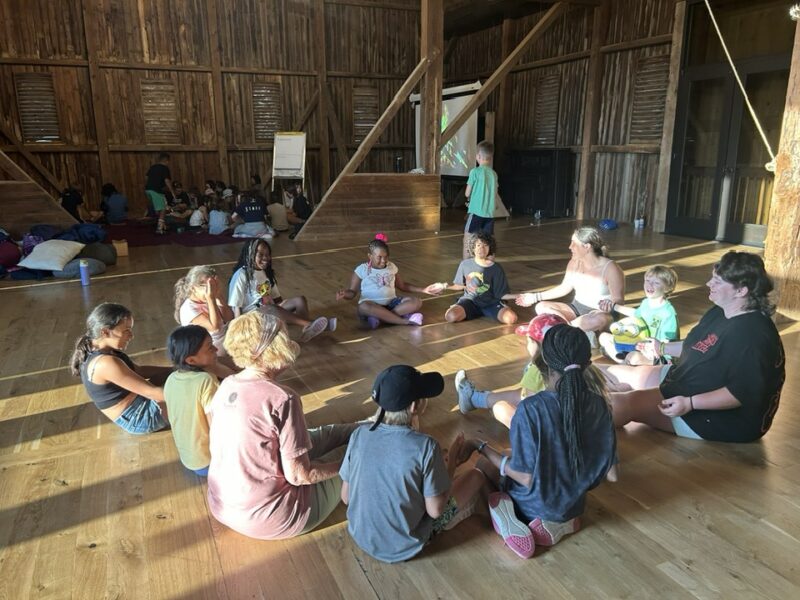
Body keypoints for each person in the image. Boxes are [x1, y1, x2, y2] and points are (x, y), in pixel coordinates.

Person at [206, 312, 359, 540]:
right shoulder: (281, 397)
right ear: (276, 349)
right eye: (285, 338)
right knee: (354, 452)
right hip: (277, 518)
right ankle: (379, 436)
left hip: (224, 507)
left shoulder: (228, 385)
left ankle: (368, 426)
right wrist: (346, 465)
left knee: (320, 435)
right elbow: (300, 476)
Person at [469, 324, 617, 558]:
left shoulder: (530, 409)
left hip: (533, 504)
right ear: (587, 365)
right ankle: (561, 522)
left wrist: (481, 448)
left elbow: (524, 475)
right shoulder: (600, 404)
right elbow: (612, 473)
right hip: (574, 505)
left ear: (542, 363)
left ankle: (511, 516)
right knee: (517, 454)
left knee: (484, 466)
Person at [605, 251, 785, 443]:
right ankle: (612, 387)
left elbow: (739, 393)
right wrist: (662, 348)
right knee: (608, 371)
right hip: (687, 380)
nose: (709, 284)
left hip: (720, 417)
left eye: (717, 281)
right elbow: (697, 346)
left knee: (620, 405)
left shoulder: (753, 336)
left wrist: (690, 403)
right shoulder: (722, 310)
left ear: (741, 290)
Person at [340, 365, 487, 563]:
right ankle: (452, 521)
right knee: (475, 477)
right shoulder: (426, 446)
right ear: (414, 407)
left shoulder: (359, 435)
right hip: (404, 546)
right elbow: (435, 510)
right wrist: (452, 461)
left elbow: (346, 497)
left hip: (360, 535)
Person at [70, 303, 170, 434]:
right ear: (105, 332)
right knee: (193, 389)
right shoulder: (105, 363)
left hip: (140, 402)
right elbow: (152, 393)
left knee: (179, 376)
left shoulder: (99, 348)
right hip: (140, 419)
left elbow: (138, 371)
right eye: (126, 331)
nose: (131, 335)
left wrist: (174, 369)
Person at [455, 313, 568, 428]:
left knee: (501, 409)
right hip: (576, 430)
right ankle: (475, 398)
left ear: (537, 346)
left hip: (548, 434)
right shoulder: (578, 366)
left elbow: (529, 405)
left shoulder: (538, 370)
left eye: (529, 341)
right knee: (520, 393)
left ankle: (475, 398)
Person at [516, 226, 625, 342]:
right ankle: (575, 332)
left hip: (599, 313)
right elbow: (564, 287)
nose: (569, 247)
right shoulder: (574, 263)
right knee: (541, 306)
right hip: (576, 308)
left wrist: (610, 304)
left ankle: (551, 330)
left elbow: (619, 300)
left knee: (599, 319)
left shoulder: (611, 268)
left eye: (574, 243)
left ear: (587, 247)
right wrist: (534, 297)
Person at [229, 239, 334, 342]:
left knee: (300, 300)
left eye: (267, 254)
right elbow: (235, 306)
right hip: (252, 318)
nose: (265, 258)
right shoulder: (241, 275)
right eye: (260, 254)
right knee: (271, 308)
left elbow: (277, 300)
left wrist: (283, 312)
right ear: (250, 255)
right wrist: (239, 330)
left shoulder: (266, 272)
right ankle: (311, 324)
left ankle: (307, 330)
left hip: (270, 311)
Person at [335, 234, 442, 328]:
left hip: (392, 303)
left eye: (386, 257)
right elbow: (352, 293)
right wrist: (345, 294)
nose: (383, 261)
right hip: (372, 305)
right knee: (363, 307)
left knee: (416, 302)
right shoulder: (361, 269)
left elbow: (403, 286)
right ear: (370, 256)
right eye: (379, 257)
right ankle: (404, 321)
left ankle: (381, 319)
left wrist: (424, 289)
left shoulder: (391, 267)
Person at [164, 325, 221, 476]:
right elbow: (217, 427)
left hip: (190, 460)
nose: (216, 349)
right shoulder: (206, 380)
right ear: (191, 360)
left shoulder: (171, 379)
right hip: (210, 462)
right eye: (210, 348)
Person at [599, 265, 679, 365]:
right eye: (647, 280)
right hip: (638, 344)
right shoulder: (646, 303)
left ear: (666, 288)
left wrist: (653, 350)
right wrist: (613, 306)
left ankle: (625, 362)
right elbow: (635, 313)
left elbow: (668, 341)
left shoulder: (668, 312)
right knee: (603, 337)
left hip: (656, 353)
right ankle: (626, 361)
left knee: (633, 358)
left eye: (656, 283)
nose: (650, 285)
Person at [441, 232, 518, 325]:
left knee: (511, 319)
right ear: (473, 247)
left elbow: (500, 294)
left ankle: (495, 310)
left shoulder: (496, 268)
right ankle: (465, 308)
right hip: (470, 301)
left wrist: (519, 296)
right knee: (450, 316)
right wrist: (444, 286)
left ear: (490, 248)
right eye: (478, 245)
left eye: (485, 245)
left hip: (491, 303)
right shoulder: (465, 264)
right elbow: (459, 286)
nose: (482, 248)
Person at [174, 265, 237, 376]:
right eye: (206, 286)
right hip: (210, 356)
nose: (211, 289)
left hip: (227, 346)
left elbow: (229, 318)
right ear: (193, 288)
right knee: (238, 373)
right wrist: (211, 298)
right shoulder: (188, 309)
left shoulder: (209, 299)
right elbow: (215, 327)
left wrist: (219, 297)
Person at [463, 140, 498, 259]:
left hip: (476, 212)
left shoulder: (475, 172)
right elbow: (495, 193)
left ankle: (465, 266)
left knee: (468, 239)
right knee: (489, 242)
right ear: (491, 157)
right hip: (489, 214)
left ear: (478, 156)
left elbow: (467, 193)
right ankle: (490, 266)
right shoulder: (494, 174)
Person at [144, 152, 177, 234]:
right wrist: (173, 193)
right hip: (156, 190)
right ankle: (159, 228)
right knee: (162, 209)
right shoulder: (164, 168)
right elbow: (167, 181)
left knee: (158, 208)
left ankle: (163, 225)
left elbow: (146, 177)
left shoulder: (152, 167)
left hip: (148, 190)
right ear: (166, 160)